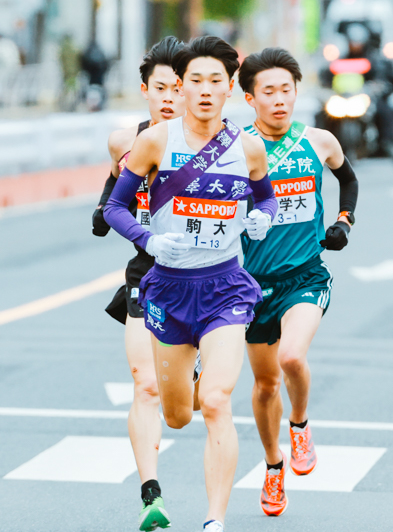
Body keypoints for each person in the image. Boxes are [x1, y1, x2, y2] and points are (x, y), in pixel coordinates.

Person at [103, 36, 275, 532]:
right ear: (181, 88)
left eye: (214, 81)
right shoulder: (157, 142)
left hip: (225, 288)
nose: (204, 90)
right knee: (178, 414)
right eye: (194, 81)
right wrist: (148, 241)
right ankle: (194, 374)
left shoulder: (248, 148)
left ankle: (214, 520)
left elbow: (264, 200)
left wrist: (261, 219)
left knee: (218, 400)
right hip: (170, 288)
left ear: (230, 90)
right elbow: (115, 206)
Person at [238, 48, 358, 517]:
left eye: (286, 89)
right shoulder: (236, 148)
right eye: (268, 92)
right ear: (250, 98)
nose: (279, 100)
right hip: (249, 286)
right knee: (265, 384)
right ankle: (272, 469)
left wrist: (345, 222)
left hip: (305, 274)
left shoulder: (319, 141)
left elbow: (348, 179)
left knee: (291, 355)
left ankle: (301, 424)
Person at [92, 36, 185, 532]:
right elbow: (119, 184)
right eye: (160, 88)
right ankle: (152, 495)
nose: (169, 97)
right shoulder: (124, 141)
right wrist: (105, 207)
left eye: (178, 87)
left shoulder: (217, 143)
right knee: (144, 383)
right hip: (146, 275)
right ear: (146, 90)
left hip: (207, 280)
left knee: (183, 410)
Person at [320, 22, 393, 163]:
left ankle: (390, 145)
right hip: (342, 98)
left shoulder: (375, 59)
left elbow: (385, 76)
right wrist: (325, 89)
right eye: (352, 42)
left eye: (358, 42)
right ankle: (320, 149)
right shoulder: (340, 60)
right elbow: (325, 77)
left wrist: (380, 86)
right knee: (323, 113)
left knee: (387, 111)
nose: (355, 45)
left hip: (366, 98)